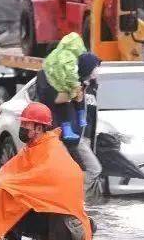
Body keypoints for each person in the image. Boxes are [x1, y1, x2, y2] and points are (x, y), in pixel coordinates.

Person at [35, 33, 104, 198]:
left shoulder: (84, 81)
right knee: (88, 169)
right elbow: (54, 99)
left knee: (83, 171)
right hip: (61, 135)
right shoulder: (49, 77)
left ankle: (74, 202)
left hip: (77, 135)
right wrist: (75, 91)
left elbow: (87, 109)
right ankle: (72, 201)